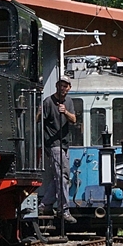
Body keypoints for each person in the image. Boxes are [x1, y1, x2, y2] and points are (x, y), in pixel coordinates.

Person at [40, 77, 77, 223]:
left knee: (59, 177)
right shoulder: (48, 102)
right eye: (61, 85)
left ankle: (45, 204)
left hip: (65, 144)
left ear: (69, 88)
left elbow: (74, 119)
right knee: (63, 175)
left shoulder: (69, 102)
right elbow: (39, 119)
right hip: (54, 145)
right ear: (56, 86)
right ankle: (64, 209)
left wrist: (65, 112)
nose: (63, 88)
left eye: (65, 86)